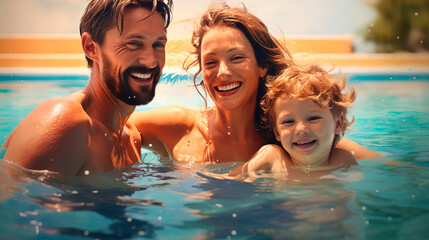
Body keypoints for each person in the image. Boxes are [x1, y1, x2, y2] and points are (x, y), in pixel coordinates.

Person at [129, 3, 380, 164]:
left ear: (262, 66)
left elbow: (398, 172)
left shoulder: (292, 134)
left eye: (237, 58)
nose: (223, 72)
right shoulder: (178, 127)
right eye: (210, 63)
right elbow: (105, 130)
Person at [1, 0, 173, 176]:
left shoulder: (131, 138)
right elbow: (10, 200)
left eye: (158, 45)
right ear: (90, 47)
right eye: (133, 43)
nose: (151, 61)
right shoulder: (65, 124)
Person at [228, 64, 359, 179]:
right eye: (288, 122)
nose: (301, 129)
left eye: (313, 118)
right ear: (277, 133)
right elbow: (227, 183)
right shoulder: (273, 158)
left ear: (338, 124)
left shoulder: (343, 160)